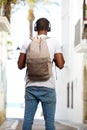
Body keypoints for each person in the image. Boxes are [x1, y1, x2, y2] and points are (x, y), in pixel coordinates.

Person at [17, 17, 65, 130]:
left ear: (35, 28)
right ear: (48, 28)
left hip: (31, 87)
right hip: (48, 86)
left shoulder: (27, 42)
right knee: (49, 123)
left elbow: (20, 65)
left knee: (28, 120)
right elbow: (61, 65)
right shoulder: (54, 43)